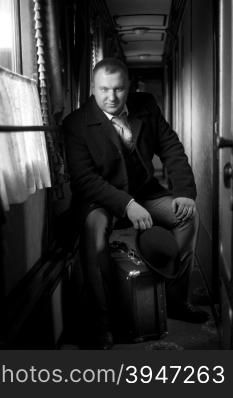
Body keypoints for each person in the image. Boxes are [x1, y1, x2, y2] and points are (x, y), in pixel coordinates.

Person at [63, 57, 208, 349]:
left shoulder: (147, 106)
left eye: (118, 89)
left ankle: (174, 299)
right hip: (101, 199)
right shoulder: (75, 124)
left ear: (129, 87)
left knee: (187, 217)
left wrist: (184, 192)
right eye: (104, 89)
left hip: (146, 192)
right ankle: (102, 324)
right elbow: (85, 180)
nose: (111, 97)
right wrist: (127, 204)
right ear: (93, 88)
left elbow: (171, 148)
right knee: (93, 232)